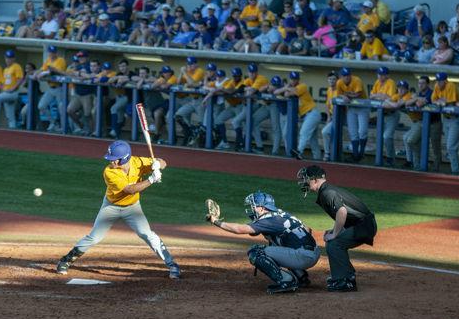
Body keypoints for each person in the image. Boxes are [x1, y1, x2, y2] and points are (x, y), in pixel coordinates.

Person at [56, 140, 180, 279]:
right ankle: (65, 260)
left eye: (115, 160)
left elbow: (163, 162)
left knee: (147, 234)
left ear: (125, 158)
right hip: (111, 207)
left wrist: (157, 164)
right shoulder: (109, 172)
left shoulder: (137, 162)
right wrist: (151, 180)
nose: (112, 162)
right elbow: (130, 190)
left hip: (133, 208)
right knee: (94, 237)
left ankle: (172, 265)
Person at [205, 191, 319, 294]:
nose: (251, 209)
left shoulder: (269, 220)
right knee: (276, 243)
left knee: (256, 252)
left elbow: (240, 229)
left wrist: (216, 222)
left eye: (253, 206)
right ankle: (301, 277)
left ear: (261, 207)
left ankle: (287, 281)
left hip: (303, 256)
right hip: (312, 252)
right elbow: (308, 230)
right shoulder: (281, 214)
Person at [297, 165, 377, 292]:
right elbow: (345, 214)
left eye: (306, 179)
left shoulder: (327, 192)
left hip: (363, 226)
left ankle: (344, 281)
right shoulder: (326, 190)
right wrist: (335, 230)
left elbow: (342, 212)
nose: (304, 182)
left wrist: (335, 234)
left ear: (315, 180)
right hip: (362, 224)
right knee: (334, 240)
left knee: (334, 244)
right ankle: (346, 276)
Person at [275, 71, 321, 160]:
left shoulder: (302, 86)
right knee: (313, 140)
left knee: (303, 132)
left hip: (312, 113)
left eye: (295, 79)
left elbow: (289, 94)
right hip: (307, 116)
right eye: (292, 79)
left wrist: (286, 89)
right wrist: (285, 88)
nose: (293, 81)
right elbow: (276, 92)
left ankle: (299, 152)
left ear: (298, 79)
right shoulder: (290, 87)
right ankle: (318, 158)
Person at [402, 76, 442, 171]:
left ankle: (436, 167)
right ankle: (420, 164)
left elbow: (420, 104)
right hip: (423, 122)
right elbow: (407, 103)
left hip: (434, 123)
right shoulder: (419, 93)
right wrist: (416, 98)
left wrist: (416, 99)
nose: (420, 85)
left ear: (427, 84)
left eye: (423, 83)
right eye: (419, 83)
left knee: (435, 146)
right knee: (413, 141)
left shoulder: (431, 93)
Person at [231, 63, 269, 153]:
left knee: (237, 121)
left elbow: (250, 93)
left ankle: (241, 143)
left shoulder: (260, 79)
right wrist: (247, 89)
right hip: (257, 104)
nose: (252, 74)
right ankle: (256, 146)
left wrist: (247, 89)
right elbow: (239, 89)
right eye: (250, 72)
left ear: (256, 72)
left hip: (268, 105)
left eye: (253, 72)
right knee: (250, 123)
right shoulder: (248, 79)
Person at [336, 67, 369, 162]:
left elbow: (357, 94)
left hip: (362, 107)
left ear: (351, 75)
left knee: (362, 131)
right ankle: (355, 155)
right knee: (353, 132)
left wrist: (346, 96)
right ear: (341, 76)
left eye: (348, 75)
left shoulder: (357, 80)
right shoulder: (339, 82)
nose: (347, 77)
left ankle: (361, 154)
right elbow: (338, 94)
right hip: (351, 108)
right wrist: (343, 96)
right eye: (344, 76)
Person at [432, 72, 459, 175]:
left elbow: (449, 103)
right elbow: (433, 100)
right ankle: (455, 169)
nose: (438, 83)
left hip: (455, 119)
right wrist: (439, 101)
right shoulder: (436, 86)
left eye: (440, 81)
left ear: (445, 80)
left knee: (450, 147)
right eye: (437, 80)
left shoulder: (451, 85)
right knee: (450, 146)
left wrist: (440, 101)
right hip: (446, 119)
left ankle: (455, 171)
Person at [0, 49, 24, 129]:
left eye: (10, 58)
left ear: (13, 59)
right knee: (10, 116)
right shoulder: (6, 69)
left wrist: (13, 88)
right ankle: (13, 130)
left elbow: (20, 79)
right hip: (6, 93)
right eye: (7, 58)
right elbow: (3, 82)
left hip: (12, 93)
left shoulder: (16, 66)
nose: (8, 59)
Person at [34, 45, 67, 132]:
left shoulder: (61, 60)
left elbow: (56, 72)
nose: (52, 54)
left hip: (60, 88)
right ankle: (53, 123)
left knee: (61, 109)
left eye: (53, 52)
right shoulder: (48, 60)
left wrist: (46, 72)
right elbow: (41, 69)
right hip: (50, 88)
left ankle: (64, 129)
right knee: (41, 106)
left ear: (56, 53)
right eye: (50, 52)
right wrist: (36, 73)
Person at [370, 66, 399, 166]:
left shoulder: (391, 82)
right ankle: (380, 159)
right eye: (379, 74)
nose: (380, 76)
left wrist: (378, 96)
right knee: (380, 137)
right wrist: (381, 96)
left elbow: (389, 98)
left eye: (383, 75)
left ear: (387, 75)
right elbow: (371, 96)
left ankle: (391, 158)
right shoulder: (377, 82)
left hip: (391, 114)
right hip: (381, 114)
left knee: (387, 137)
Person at [213, 66, 245, 150]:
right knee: (218, 120)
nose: (235, 77)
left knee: (238, 124)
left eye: (237, 76)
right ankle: (224, 142)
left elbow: (231, 91)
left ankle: (240, 144)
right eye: (234, 76)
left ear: (240, 75)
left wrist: (223, 89)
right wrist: (223, 89)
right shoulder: (231, 81)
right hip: (231, 106)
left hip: (240, 106)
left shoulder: (243, 82)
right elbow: (226, 89)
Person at [321, 71, 339, 162]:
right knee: (327, 132)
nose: (332, 81)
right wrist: (328, 117)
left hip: (339, 117)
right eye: (330, 79)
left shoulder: (339, 90)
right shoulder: (329, 90)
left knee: (325, 132)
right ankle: (329, 153)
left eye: (334, 79)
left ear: (337, 80)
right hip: (332, 117)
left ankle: (327, 153)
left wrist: (332, 117)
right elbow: (327, 105)